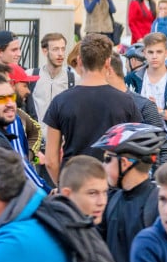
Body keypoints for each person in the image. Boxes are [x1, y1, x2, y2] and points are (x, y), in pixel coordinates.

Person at [44, 34, 142, 185]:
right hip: (111, 185)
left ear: (80, 61)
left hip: (73, 184)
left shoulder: (60, 101)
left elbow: (50, 160)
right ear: (108, 62)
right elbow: (136, 150)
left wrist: (62, 186)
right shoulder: (126, 101)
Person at [93, 123, 165, 262]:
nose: (103, 166)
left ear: (124, 163)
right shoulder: (111, 199)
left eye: (107, 159)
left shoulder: (158, 205)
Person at [125, 33, 167, 139]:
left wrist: (159, 112)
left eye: (159, 52)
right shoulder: (130, 80)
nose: (154, 56)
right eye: (150, 52)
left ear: (166, 53)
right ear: (144, 53)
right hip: (136, 137)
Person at [30, 32, 76, 131]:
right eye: (55, 49)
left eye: (63, 49)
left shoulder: (74, 78)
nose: (60, 53)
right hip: (36, 140)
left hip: (62, 141)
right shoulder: (31, 75)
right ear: (45, 51)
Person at [57, 155, 109, 225]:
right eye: (92, 193)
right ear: (67, 194)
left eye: (105, 192)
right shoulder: (54, 232)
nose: (102, 202)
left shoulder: (86, 228)